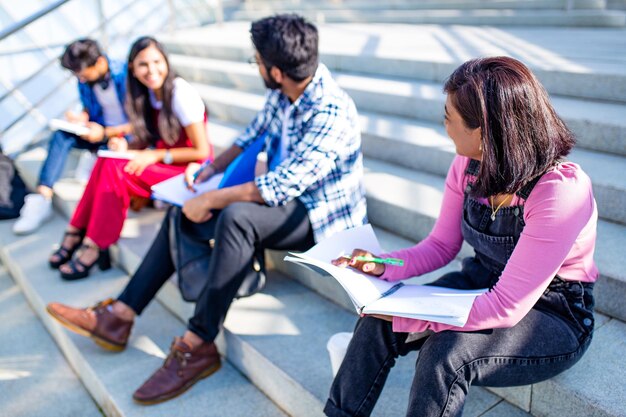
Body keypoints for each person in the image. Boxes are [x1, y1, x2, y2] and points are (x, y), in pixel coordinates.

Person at [46, 14, 367, 405]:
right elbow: (254, 133)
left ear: (277, 71)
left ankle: (197, 342)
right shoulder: (288, 87)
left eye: (257, 62)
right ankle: (120, 316)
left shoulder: (329, 110)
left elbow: (285, 186)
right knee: (184, 206)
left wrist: (213, 198)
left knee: (235, 217)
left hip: (319, 213)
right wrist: (209, 171)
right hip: (284, 194)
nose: (256, 66)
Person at [323, 56, 598, 417]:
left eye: (450, 117)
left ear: (485, 131)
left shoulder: (560, 192)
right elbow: (440, 246)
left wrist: (413, 319)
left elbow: (505, 306)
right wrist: (381, 263)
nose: (445, 125)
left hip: (553, 312)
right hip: (484, 279)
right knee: (377, 318)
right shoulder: (468, 167)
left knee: (445, 353)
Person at [48, 36, 213, 280]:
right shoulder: (146, 95)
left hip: (192, 174)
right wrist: (126, 144)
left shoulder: (180, 93)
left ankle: (94, 243)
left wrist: (153, 155)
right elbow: (150, 135)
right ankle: (76, 229)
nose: (151, 70)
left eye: (157, 62)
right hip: (167, 164)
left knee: (116, 168)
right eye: (143, 65)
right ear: (132, 70)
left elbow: (202, 152)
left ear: (166, 61)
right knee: (109, 158)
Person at [13, 38, 132, 235]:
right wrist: (81, 117)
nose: (80, 78)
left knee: (110, 155)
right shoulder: (84, 79)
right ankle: (43, 196)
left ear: (100, 62)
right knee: (61, 135)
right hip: (98, 130)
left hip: (123, 135)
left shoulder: (126, 76)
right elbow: (91, 107)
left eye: (82, 73)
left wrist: (106, 133)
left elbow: (141, 121)